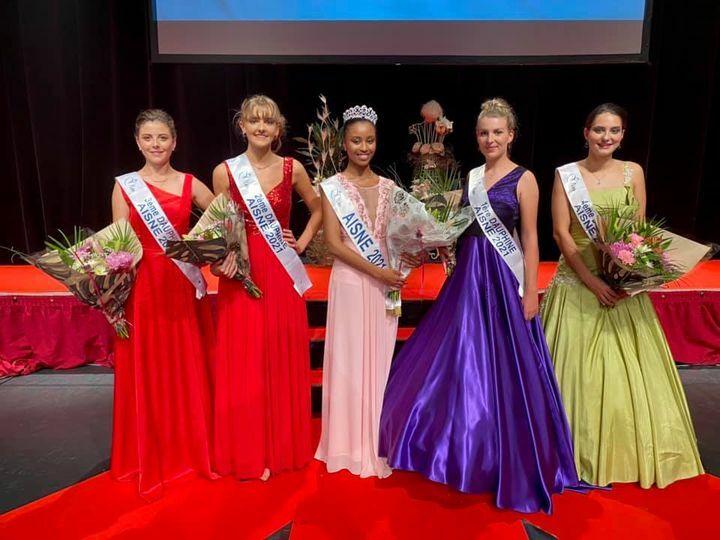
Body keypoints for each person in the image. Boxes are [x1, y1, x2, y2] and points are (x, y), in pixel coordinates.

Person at [379, 98, 579, 513]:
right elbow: (457, 227)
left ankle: (503, 452)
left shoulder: (524, 179)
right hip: (468, 275)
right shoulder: (471, 177)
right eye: (484, 133)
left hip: (502, 278)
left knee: (506, 361)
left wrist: (530, 290)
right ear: (477, 136)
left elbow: (530, 238)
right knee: (459, 359)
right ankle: (456, 447)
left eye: (498, 132)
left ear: (511, 135)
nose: (491, 139)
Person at [541, 103, 703, 488]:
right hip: (578, 285)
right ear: (586, 133)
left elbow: (639, 232)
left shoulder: (634, 172)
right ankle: (568, 453)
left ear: (623, 135)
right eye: (599, 129)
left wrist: (631, 278)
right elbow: (562, 234)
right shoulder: (567, 175)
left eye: (614, 130)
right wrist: (592, 281)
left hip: (623, 288)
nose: (606, 137)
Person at [212, 95, 321, 480]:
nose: (261, 127)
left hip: (280, 270)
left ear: (278, 129)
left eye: (268, 121)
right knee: (245, 359)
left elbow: (319, 207)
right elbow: (219, 227)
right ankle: (248, 449)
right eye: (254, 120)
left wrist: (302, 241)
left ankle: (279, 447)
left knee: (278, 354)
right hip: (242, 274)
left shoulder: (293, 168)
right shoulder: (225, 172)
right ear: (242, 126)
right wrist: (222, 259)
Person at [111, 108, 216, 498]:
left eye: (163, 138)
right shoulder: (125, 186)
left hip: (180, 284)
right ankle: (151, 451)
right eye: (148, 138)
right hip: (143, 288)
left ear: (175, 142)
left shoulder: (190, 183)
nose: (156, 144)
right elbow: (119, 245)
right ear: (137, 142)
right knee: (150, 366)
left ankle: (190, 448)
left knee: (184, 361)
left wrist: (206, 248)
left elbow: (225, 218)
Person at [314, 105, 417, 478]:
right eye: (356, 140)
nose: (363, 147)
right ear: (344, 143)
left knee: (379, 360)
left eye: (369, 140)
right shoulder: (332, 187)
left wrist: (413, 253)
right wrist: (380, 271)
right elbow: (333, 243)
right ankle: (346, 445)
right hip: (351, 282)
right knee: (348, 361)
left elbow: (397, 236)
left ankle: (375, 439)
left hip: (383, 285)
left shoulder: (390, 188)